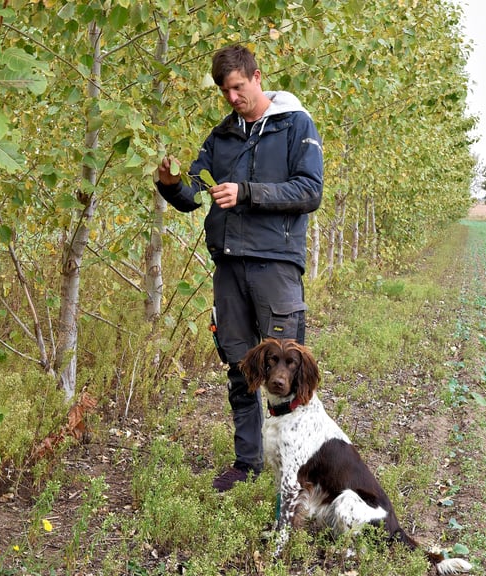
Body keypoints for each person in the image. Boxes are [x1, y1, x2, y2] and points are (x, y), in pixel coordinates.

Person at [155, 44, 324, 492]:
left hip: (276, 266)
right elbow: (192, 194)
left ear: (256, 76)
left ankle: (298, 470)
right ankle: (247, 463)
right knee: (241, 368)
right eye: (224, 91)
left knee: (289, 370)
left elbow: (309, 191)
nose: (232, 97)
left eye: (237, 87)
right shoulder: (221, 137)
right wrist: (169, 183)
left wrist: (247, 192)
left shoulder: (295, 125)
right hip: (228, 266)